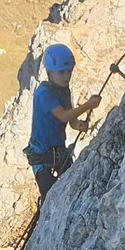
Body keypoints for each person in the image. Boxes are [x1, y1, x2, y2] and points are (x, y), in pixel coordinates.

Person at [26, 43, 100, 197]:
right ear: (50, 73)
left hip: (59, 152)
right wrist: (88, 105)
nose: (67, 76)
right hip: (42, 156)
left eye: (69, 72)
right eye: (62, 72)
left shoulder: (64, 91)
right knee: (50, 197)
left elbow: (71, 121)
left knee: (74, 188)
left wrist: (79, 125)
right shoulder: (43, 94)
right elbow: (64, 116)